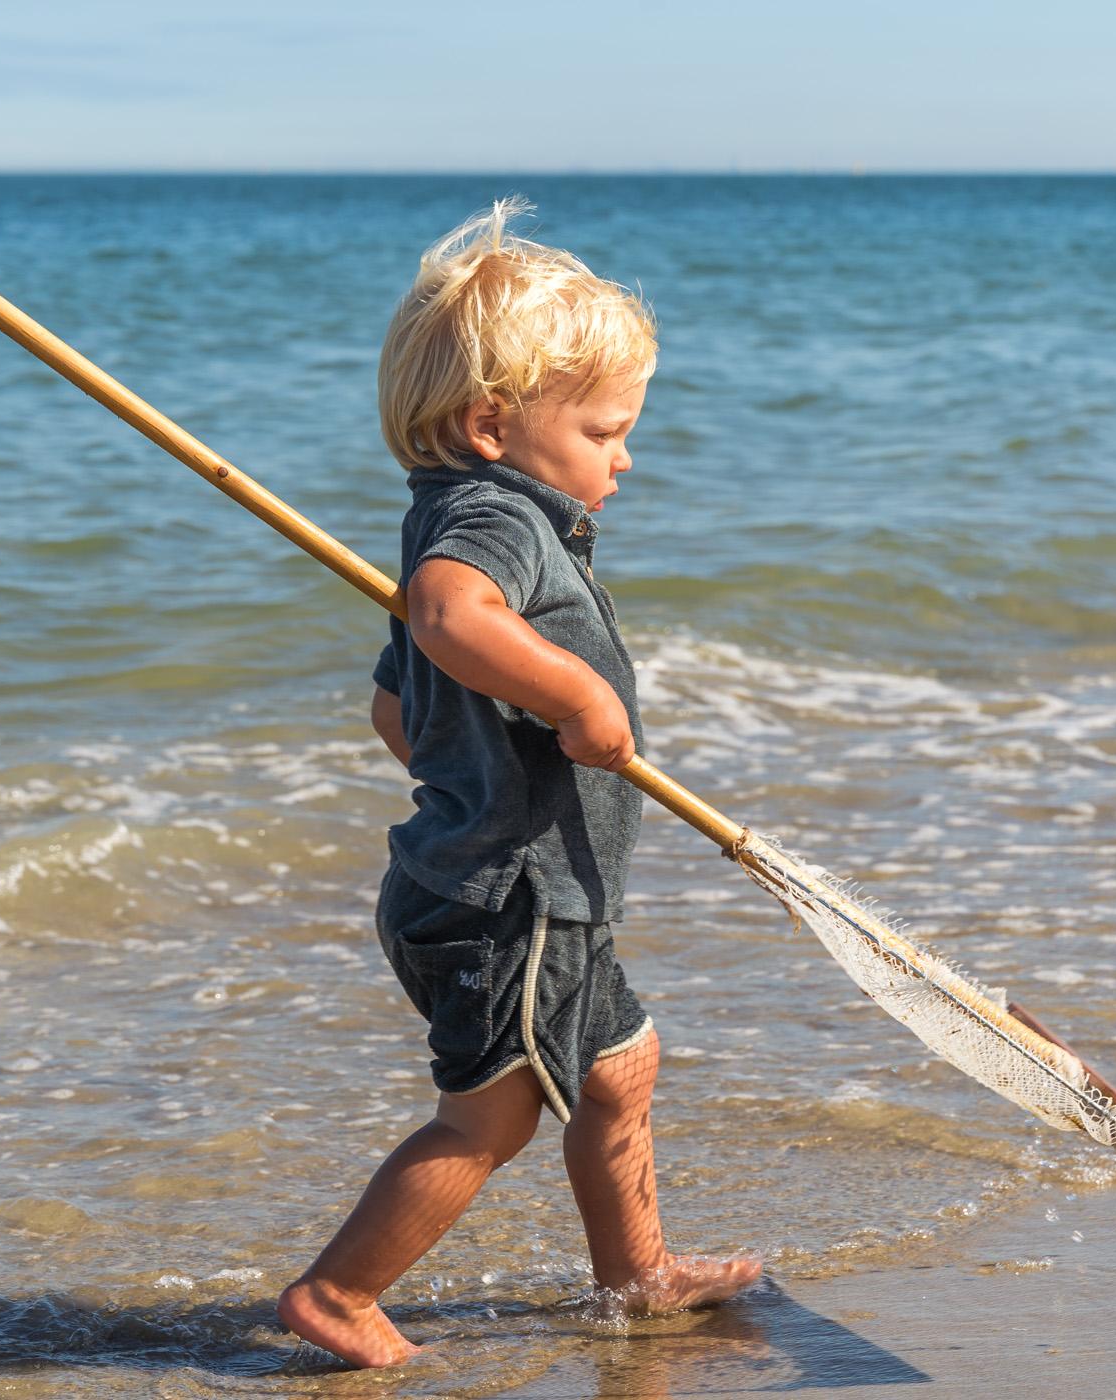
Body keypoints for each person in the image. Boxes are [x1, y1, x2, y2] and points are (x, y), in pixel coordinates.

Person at [276, 200, 760, 1369]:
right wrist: (577, 700)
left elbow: (397, 708)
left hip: (525, 888)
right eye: (603, 429)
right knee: (492, 1113)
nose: (625, 455)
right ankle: (339, 1292)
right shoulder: (493, 520)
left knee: (619, 1069)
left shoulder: (467, 515)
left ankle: (638, 1273)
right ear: (493, 422)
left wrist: (482, 760)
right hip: (509, 901)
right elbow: (448, 617)